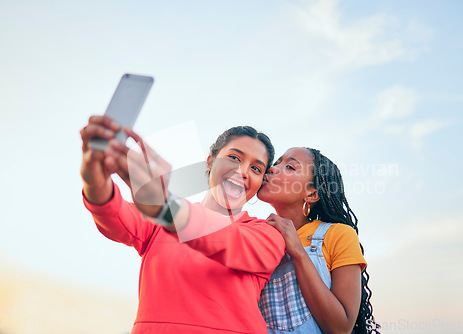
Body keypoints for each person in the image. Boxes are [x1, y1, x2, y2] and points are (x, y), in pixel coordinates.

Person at [80, 115, 286, 334]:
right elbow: (113, 214)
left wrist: (165, 206)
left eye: (256, 169)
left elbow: (227, 239)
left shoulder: (267, 235)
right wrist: (94, 178)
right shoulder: (159, 222)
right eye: (234, 158)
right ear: (210, 161)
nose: (243, 171)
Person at [257, 147, 380, 334]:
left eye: (290, 167)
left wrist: (297, 252)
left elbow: (341, 328)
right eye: (276, 163)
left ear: (312, 194)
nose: (273, 169)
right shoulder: (257, 236)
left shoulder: (338, 234)